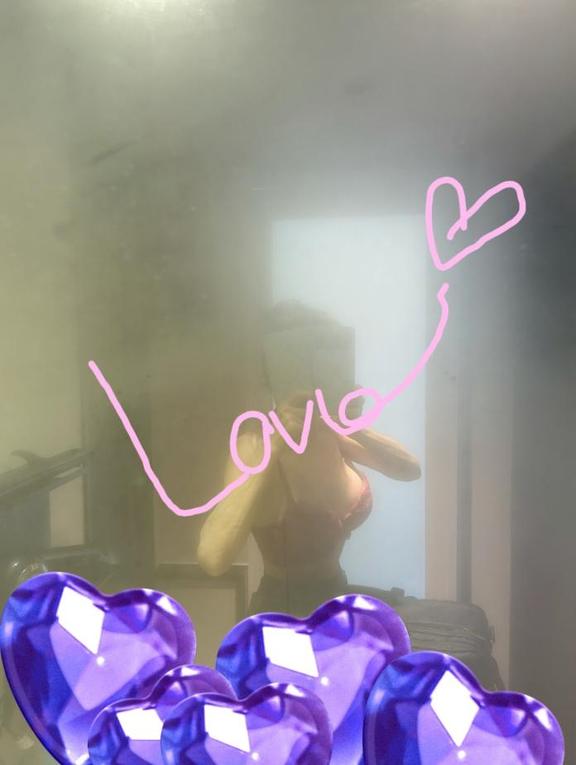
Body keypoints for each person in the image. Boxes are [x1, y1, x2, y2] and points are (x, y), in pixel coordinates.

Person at [197, 303, 421, 616]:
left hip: (336, 600)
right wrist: (275, 447)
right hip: (283, 613)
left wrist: (355, 426)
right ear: (275, 371)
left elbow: (409, 470)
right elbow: (213, 558)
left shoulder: (334, 432)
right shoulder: (256, 443)